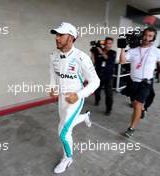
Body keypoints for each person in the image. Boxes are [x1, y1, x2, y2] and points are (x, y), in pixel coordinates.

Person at [49, 22, 100, 174]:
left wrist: (78, 95)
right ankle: (85, 117)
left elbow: (95, 81)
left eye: (60, 35)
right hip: (61, 99)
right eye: (56, 35)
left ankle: (68, 158)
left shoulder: (81, 57)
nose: (57, 38)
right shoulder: (53, 55)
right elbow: (52, 74)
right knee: (66, 125)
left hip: (75, 99)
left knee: (63, 132)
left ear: (70, 37)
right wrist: (52, 87)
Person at [119, 27, 160, 137]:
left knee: (137, 104)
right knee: (134, 104)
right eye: (145, 35)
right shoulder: (133, 50)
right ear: (142, 35)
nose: (147, 38)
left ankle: (131, 128)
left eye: (150, 36)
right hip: (133, 82)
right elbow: (122, 61)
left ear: (153, 38)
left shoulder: (156, 51)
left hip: (146, 83)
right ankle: (142, 109)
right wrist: (123, 48)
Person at [91, 37, 116, 115]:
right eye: (107, 43)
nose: (108, 45)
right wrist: (92, 53)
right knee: (97, 90)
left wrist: (100, 50)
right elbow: (93, 62)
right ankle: (97, 100)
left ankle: (108, 109)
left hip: (108, 76)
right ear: (104, 43)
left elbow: (107, 59)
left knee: (109, 93)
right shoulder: (98, 51)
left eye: (110, 43)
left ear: (111, 44)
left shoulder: (113, 52)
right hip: (98, 75)